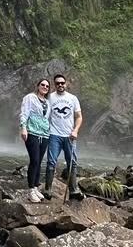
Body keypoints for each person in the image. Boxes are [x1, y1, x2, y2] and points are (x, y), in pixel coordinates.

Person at [44, 73, 84, 201]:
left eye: (62, 83)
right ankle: (48, 189)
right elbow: (43, 113)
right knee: (51, 162)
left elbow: (79, 117)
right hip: (54, 135)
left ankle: (73, 190)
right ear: (54, 85)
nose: (60, 85)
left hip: (69, 136)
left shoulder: (73, 98)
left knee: (72, 163)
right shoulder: (49, 97)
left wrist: (76, 130)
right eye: (57, 83)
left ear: (66, 84)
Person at [19, 78, 52, 202]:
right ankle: (31, 190)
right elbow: (24, 113)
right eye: (42, 85)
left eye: (47, 86)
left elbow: (47, 118)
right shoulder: (30, 98)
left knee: (39, 162)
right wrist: (23, 128)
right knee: (34, 160)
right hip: (32, 132)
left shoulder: (48, 102)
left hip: (44, 135)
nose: (44, 87)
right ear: (38, 86)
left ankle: (36, 187)